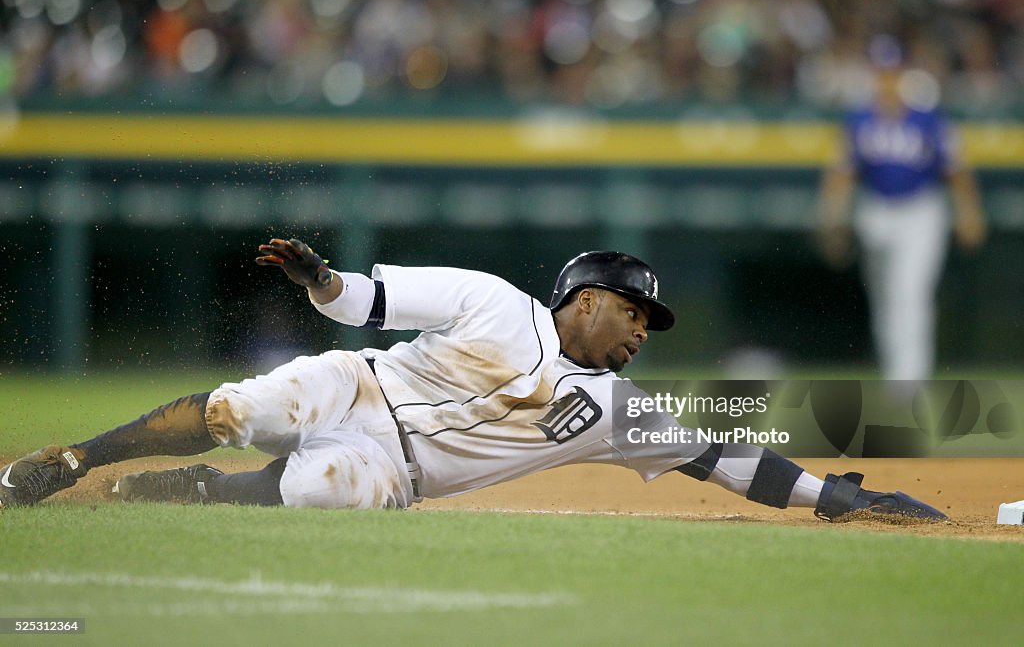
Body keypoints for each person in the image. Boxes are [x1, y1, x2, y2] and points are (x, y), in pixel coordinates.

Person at [1, 239, 945, 522]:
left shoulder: (617, 410)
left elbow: (725, 459)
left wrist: (840, 497)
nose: (641, 335)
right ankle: (76, 459)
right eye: (636, 314)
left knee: (323, 491)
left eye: (649, 325)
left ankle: (169, 491)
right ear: (588, 296)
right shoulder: (493, 300)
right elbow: (365, 299)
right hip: (362, 387)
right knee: (244, 406)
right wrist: (318, 279)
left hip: (396, 474)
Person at [818, 65, 987, 381]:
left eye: (893, 75)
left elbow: (957, 171)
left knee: (910, 293)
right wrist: (833, 218)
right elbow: (841, 173)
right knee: (884, 298)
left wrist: (969, 212)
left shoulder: (928, 119)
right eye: (882, 75)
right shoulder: (860, 119)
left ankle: (909, 379)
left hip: (921, 211)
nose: (888, 84)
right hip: (875, 211)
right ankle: (895, 373)